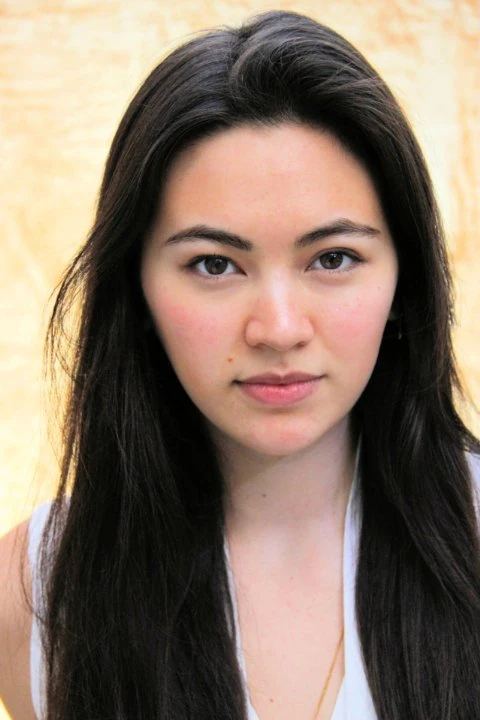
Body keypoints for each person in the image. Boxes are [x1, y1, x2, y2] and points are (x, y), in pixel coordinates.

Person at [1, 8, 479, 720]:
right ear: (136, 289)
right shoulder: (33, 594)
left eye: (333, 258)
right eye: (215, 264)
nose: (278, 329)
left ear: (403, 282)